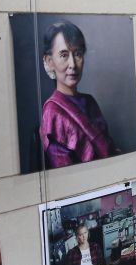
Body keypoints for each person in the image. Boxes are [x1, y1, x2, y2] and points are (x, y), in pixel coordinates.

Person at [39, 21, 118, 169]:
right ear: (49, 62)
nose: (73, 64)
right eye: (64, 55)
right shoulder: (52, 113)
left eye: (78, 54)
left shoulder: (90, 102)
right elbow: (66, 172)